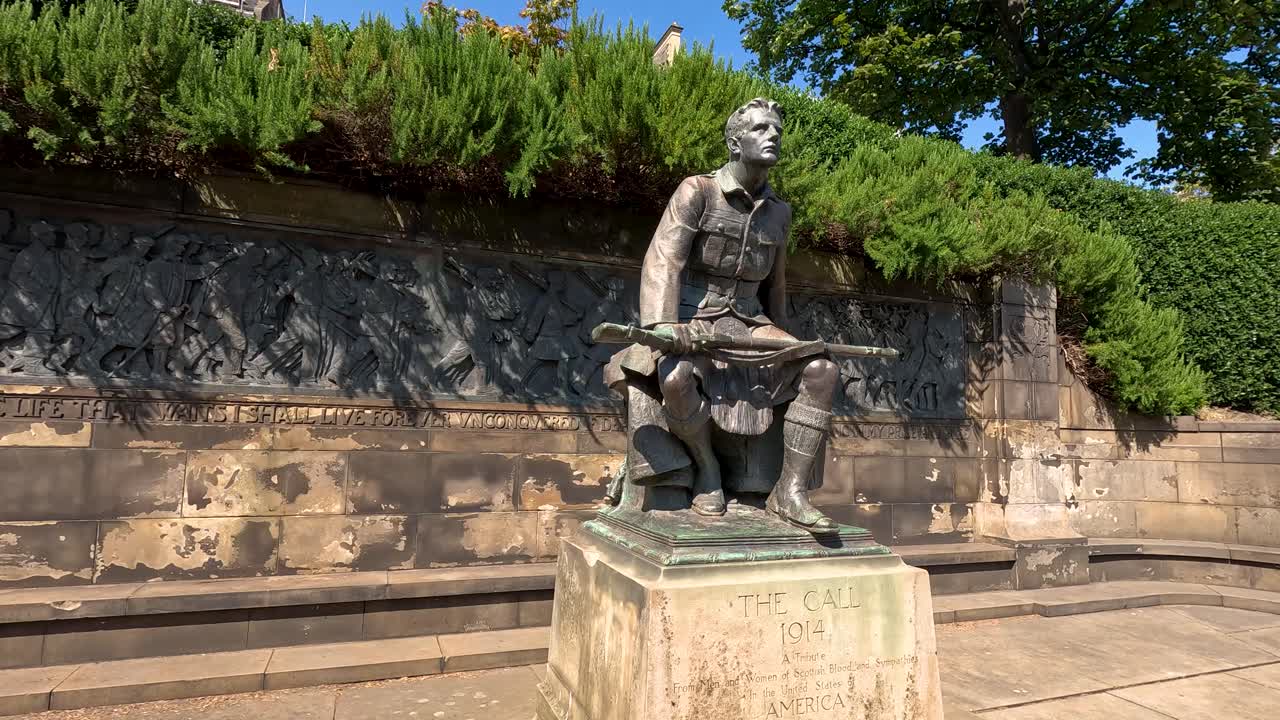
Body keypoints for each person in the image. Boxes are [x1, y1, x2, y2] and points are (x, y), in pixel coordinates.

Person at [609, 98, 840, 533]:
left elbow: (776, 284)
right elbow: (664, 261)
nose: (772, 135)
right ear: (736, 142)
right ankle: (706, 468)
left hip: (753, 323)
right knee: (675, 378)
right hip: (693, 316)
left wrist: (789, 344)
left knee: (822, 370)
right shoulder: (697, 191)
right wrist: (663, 326)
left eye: (777, 129)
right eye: (760, 129)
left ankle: (789, 491)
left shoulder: (780, 212)